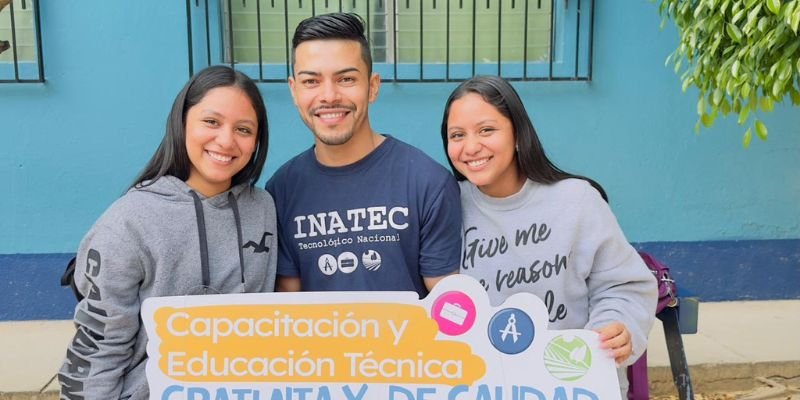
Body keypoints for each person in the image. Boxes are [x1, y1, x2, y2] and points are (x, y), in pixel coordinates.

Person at [58, 65, 278, 400]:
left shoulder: (262, 208)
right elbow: (100, 347)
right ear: (181, 122)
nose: (226, 140)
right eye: (211, 122)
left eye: (244, 129)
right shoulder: (128, 222)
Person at [440, 75, 657, 393]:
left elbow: (624, 286)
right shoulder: (443, 205)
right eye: (457, 135)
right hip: (479, 385)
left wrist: (617, 326)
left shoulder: (577, 200)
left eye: (486, 130)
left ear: (517, 134)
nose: (471, 147)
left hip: (571, 384)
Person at [266, 12, 461, 297]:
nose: (329, 96)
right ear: (294, 91)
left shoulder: (428, 182)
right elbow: (289, 304)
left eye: (346, 79)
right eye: (311, 81)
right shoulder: (282, 190)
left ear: (372, 87)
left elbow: (447, 303)